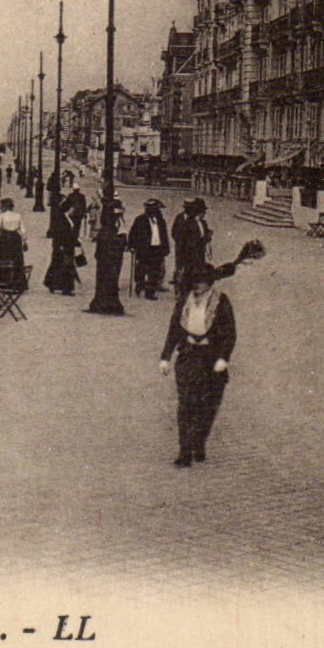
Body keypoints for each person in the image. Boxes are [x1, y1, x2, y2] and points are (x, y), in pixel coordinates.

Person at [158, 240, 264, 468]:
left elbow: (229, 334)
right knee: (186, 404)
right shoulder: (184, 302)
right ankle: (185, 450)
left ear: (209, 284)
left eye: (201, 284)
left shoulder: (221, 302)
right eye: (193, 283)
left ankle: (199, 442)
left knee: (208, 406)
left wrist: (223, 359)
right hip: (188, 357)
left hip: (210, 358)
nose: (196, 287)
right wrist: (166, 357)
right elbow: (175, 328)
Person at [127, 199, 171, 299]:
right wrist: (131, 246)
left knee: (154, 271)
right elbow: (133, 233)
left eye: (155, 209)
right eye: (150, 208)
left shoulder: (160, 221)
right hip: (144, 249)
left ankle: (150, 292)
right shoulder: (140, 220)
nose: (153, 211)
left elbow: (164, 235)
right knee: (141, 269)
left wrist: (166, 248)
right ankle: (139, 285)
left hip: (157, 249)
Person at [172, 198, 213, 287]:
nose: (205, 213)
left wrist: (208, 237)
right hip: (189, 253)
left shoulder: (203, 222)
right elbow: (183, 238)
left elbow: (204, 236)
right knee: (187, 273)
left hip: (199, 253)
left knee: (198, 273)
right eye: (203, 211)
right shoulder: (188, 223)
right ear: (199, 211)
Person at [44, 199, 80, 295]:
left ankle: (52, 284)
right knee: (65, 267)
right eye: (72, 208)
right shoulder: (62, 219)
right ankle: (66, 289)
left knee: (58, 266)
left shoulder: (67, 218)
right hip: (63, 247)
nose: (74, 210)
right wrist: (60, 246)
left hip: (67, 246)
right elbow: (59, 234)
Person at [0, 198, 27, 291]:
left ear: (4, 206)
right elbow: (23, 230)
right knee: (17, 260)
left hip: (5, 238)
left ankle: (5, 282)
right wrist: (25, 241)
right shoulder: (18, 215)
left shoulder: (2, 215)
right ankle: (17, 283)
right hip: (16, 238)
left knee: (4, 259)